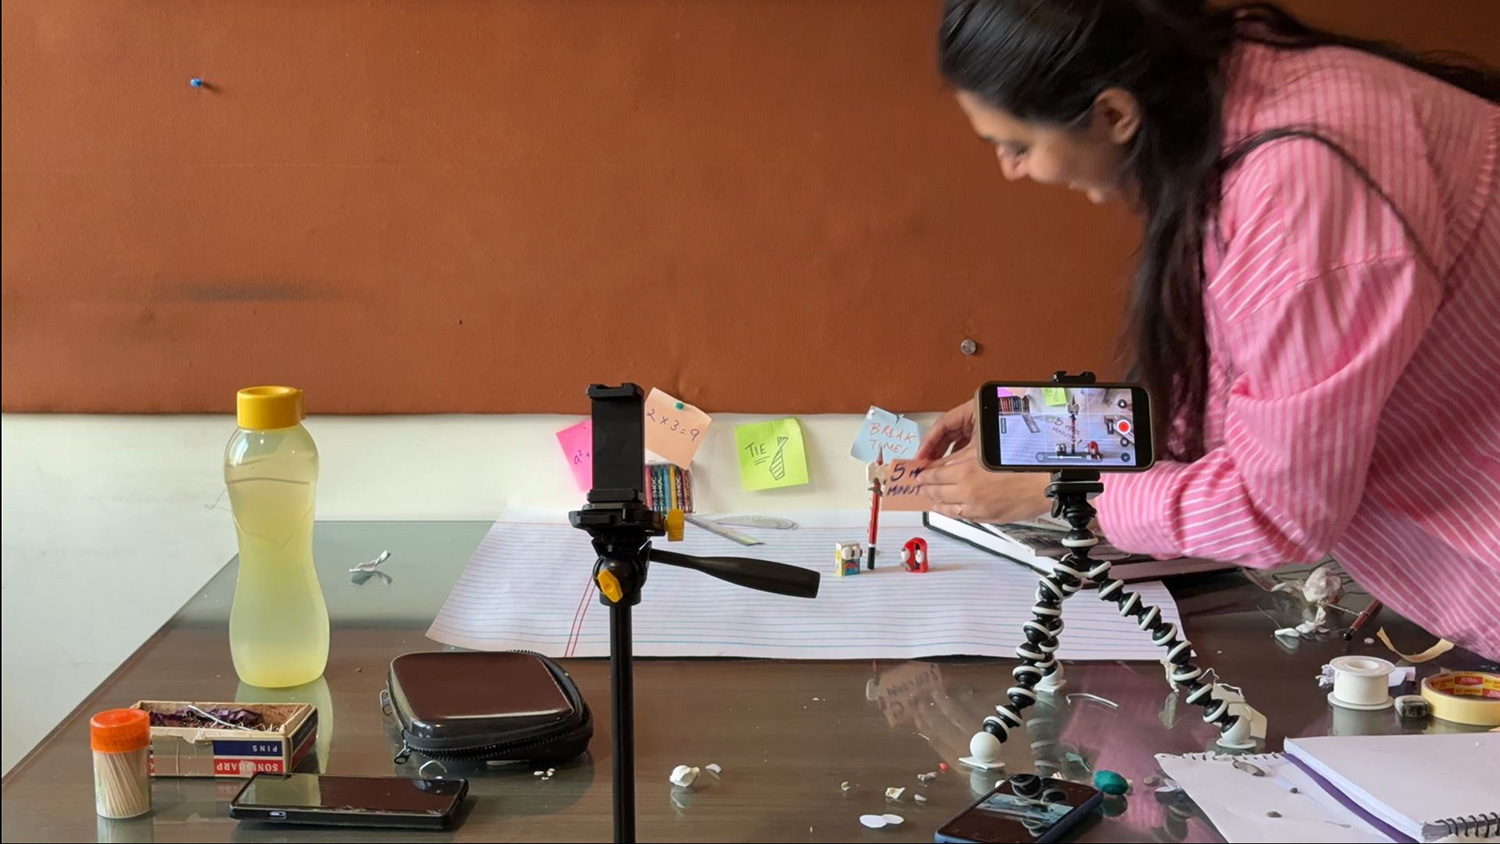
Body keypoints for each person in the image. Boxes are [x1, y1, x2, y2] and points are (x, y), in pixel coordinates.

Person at [914, 0, 1500, 658]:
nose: (1011, 170)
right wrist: (1044, 429)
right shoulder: (1242, 86)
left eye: (1018, 146)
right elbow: (1252, 389)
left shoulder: (1299, 194)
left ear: (1114, 114)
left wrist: (1060, 489)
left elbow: (1279, 510)